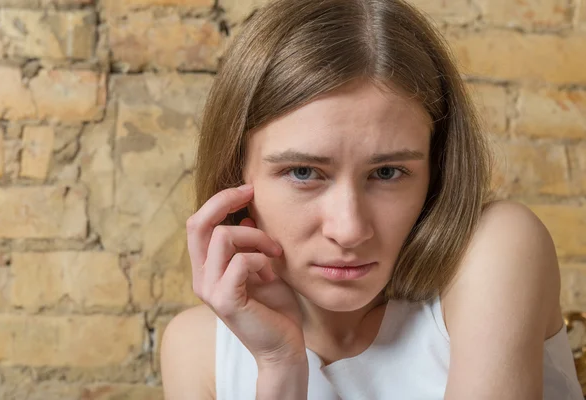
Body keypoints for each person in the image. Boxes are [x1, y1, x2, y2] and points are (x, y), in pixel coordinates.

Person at [160, 0, 583, 398]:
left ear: (436, 170)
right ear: (237, 174)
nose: (349, 229)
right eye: (304, 173)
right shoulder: (196, 350)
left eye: (387, 173)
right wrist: (280, 368)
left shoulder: (496, 249)